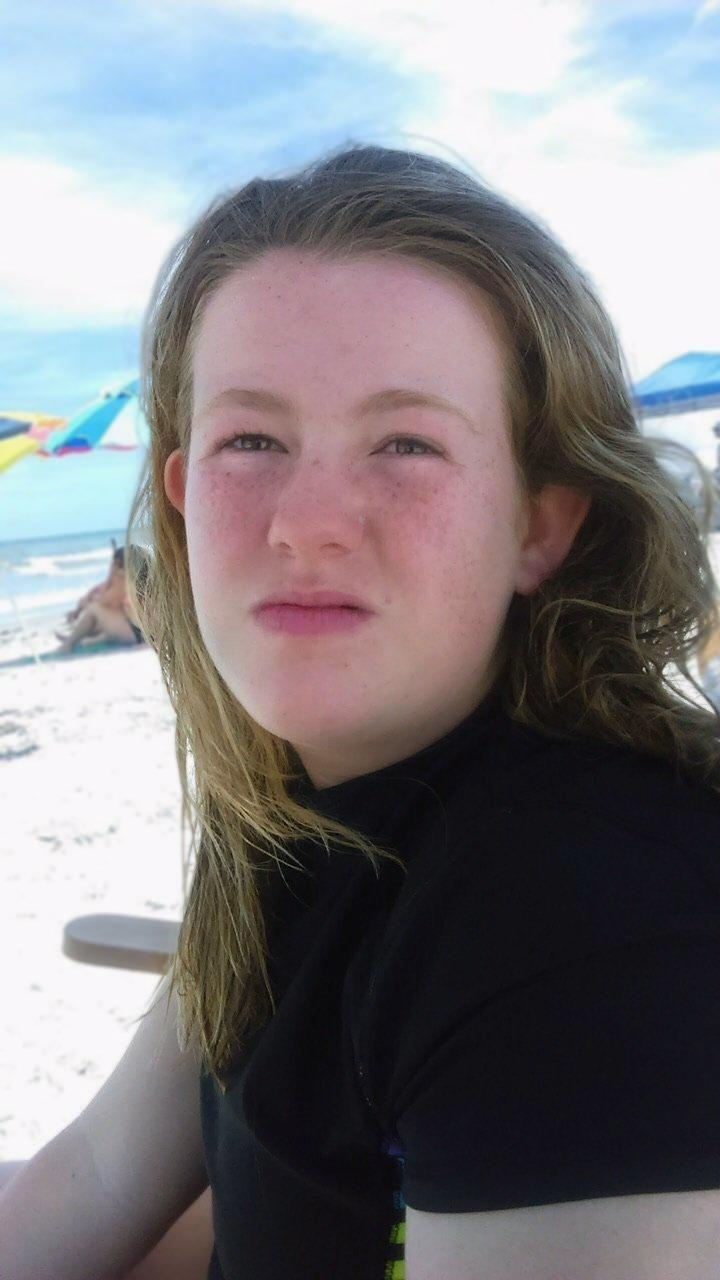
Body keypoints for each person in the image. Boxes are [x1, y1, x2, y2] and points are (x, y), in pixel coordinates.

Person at [2, 142, 720, 1280]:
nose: (307, 522)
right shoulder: (289, 808)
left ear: (540, 524)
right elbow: (95, 1172)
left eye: (405, 443)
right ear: (181, 505)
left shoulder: (590, 910)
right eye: (252, 440)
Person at [54, 545, 148, 653]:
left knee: (93, 610)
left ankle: (68, 644)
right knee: (99, 616)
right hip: (137, 631)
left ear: (117, 563)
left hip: (134, 634)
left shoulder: (123, 578)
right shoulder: (135, 577)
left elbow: (105, 602)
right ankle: (80, 639)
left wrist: (110, 575)